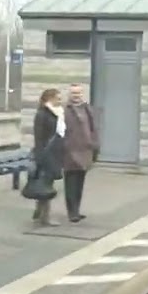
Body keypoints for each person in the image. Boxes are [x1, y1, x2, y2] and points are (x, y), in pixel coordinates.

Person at [61, 83, 99, 223]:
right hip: (70, 152)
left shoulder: (87, 108)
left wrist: (94, 144)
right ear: (69, 94)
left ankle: (77, 209)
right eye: (73, 93)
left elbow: (92, 127)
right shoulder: (65, 110)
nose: (76, 96)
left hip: (85, 151)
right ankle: (72, 212)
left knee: (80, 183)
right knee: (71, 183)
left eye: (78, 93)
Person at [31, 88, 66, 227]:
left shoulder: (56, 113)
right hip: (46, 155)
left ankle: (39, 211)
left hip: (54, 153)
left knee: (45, 184)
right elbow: (39, 138)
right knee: (46, 186)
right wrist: (40, 156)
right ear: (49, 99)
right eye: (58, 98)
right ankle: (45, 217)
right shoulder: (42, 114)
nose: (60, 100)